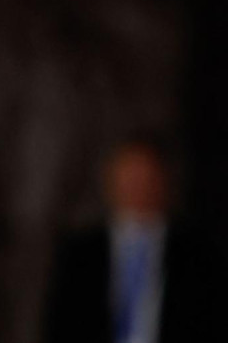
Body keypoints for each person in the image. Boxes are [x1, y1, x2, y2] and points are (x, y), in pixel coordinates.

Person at [42, 138, 218, 343]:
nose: (138, 186)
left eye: (147, 176)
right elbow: (61, 323)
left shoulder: (196, 252)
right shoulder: (80, 251)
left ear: (165, 180)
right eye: (130, 176)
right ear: (110, 180)